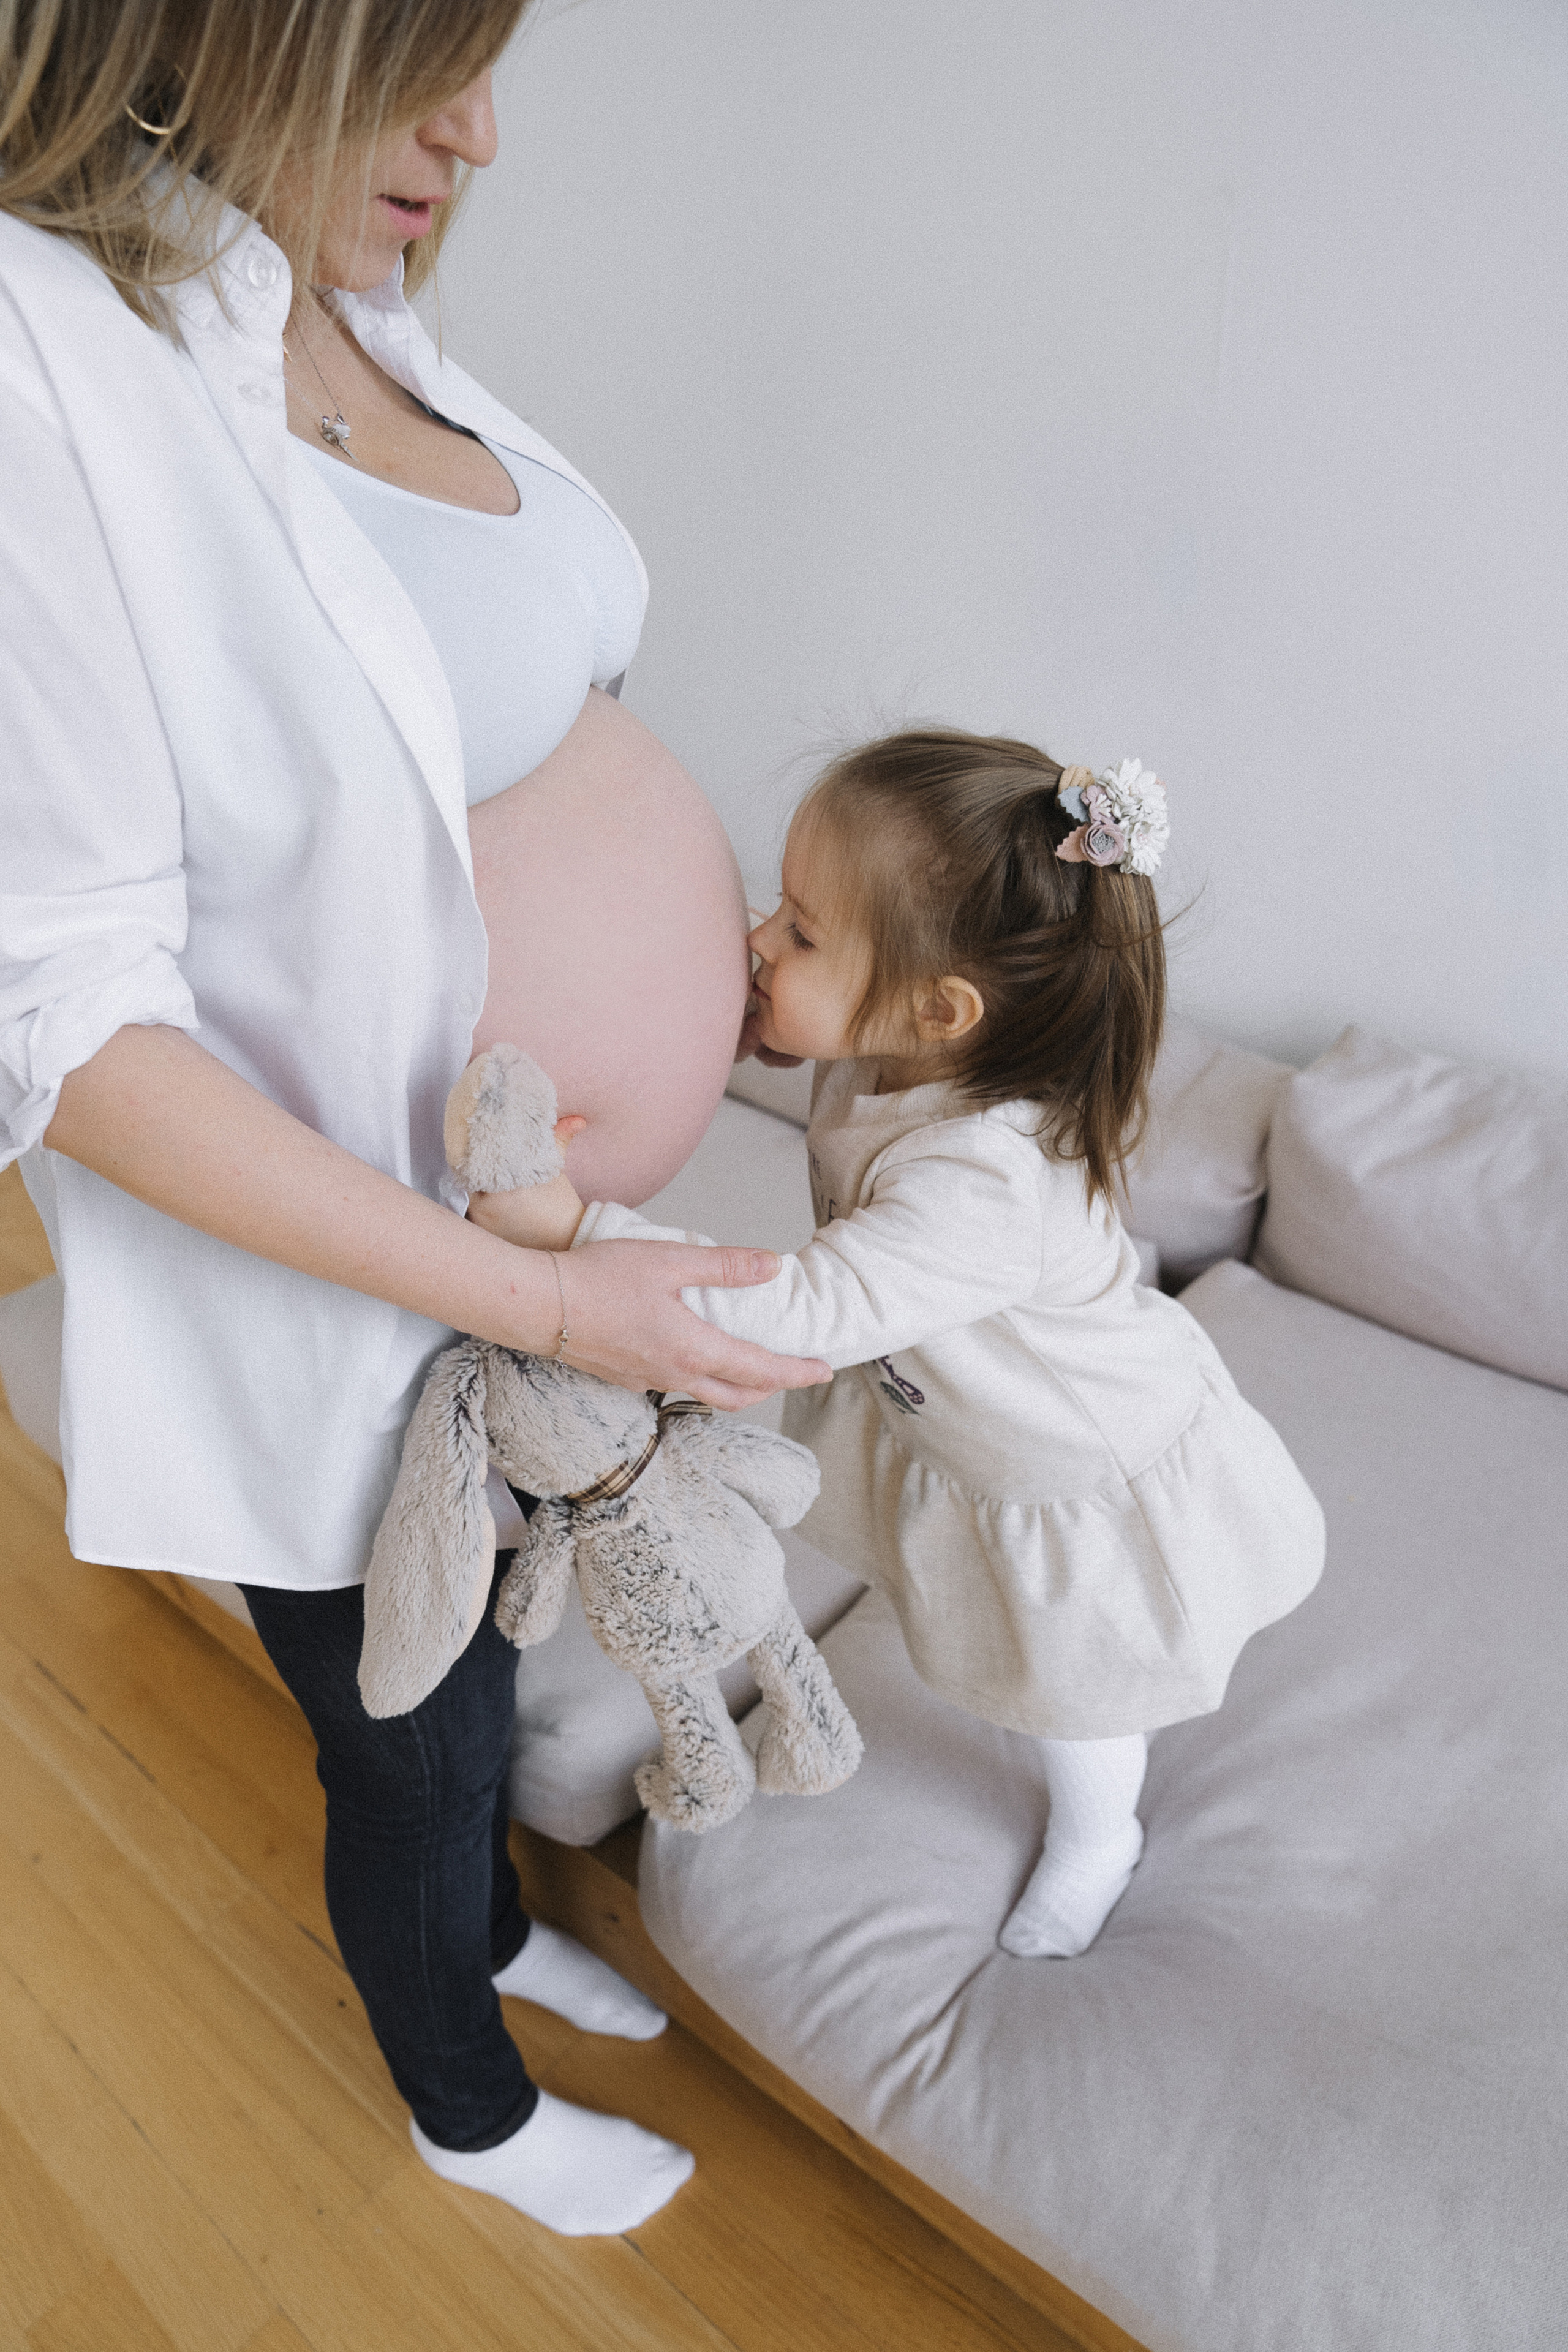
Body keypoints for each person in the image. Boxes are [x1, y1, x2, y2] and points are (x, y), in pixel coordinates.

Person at [0, 1, 828, 2236]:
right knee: (420, 1743)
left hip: (525, 1276)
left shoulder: (337, 299)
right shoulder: (31, 353)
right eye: (424, 56)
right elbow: (65, 1027)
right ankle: (464, 2101)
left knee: (477, 1701)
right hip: (363, 1305)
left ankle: (491, 1930)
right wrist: (547, 1306)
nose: (480, 133)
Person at [471, 729, 1327, 1959]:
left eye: (802, 933)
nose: (760, 938)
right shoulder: (896, 1052)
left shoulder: (981, 1184)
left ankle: (1101, 1837)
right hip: (961, 1403)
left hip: (1067, 1464)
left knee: (1072, 1693)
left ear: (940, 1008)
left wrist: (574, 1232)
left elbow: (801, 1311)